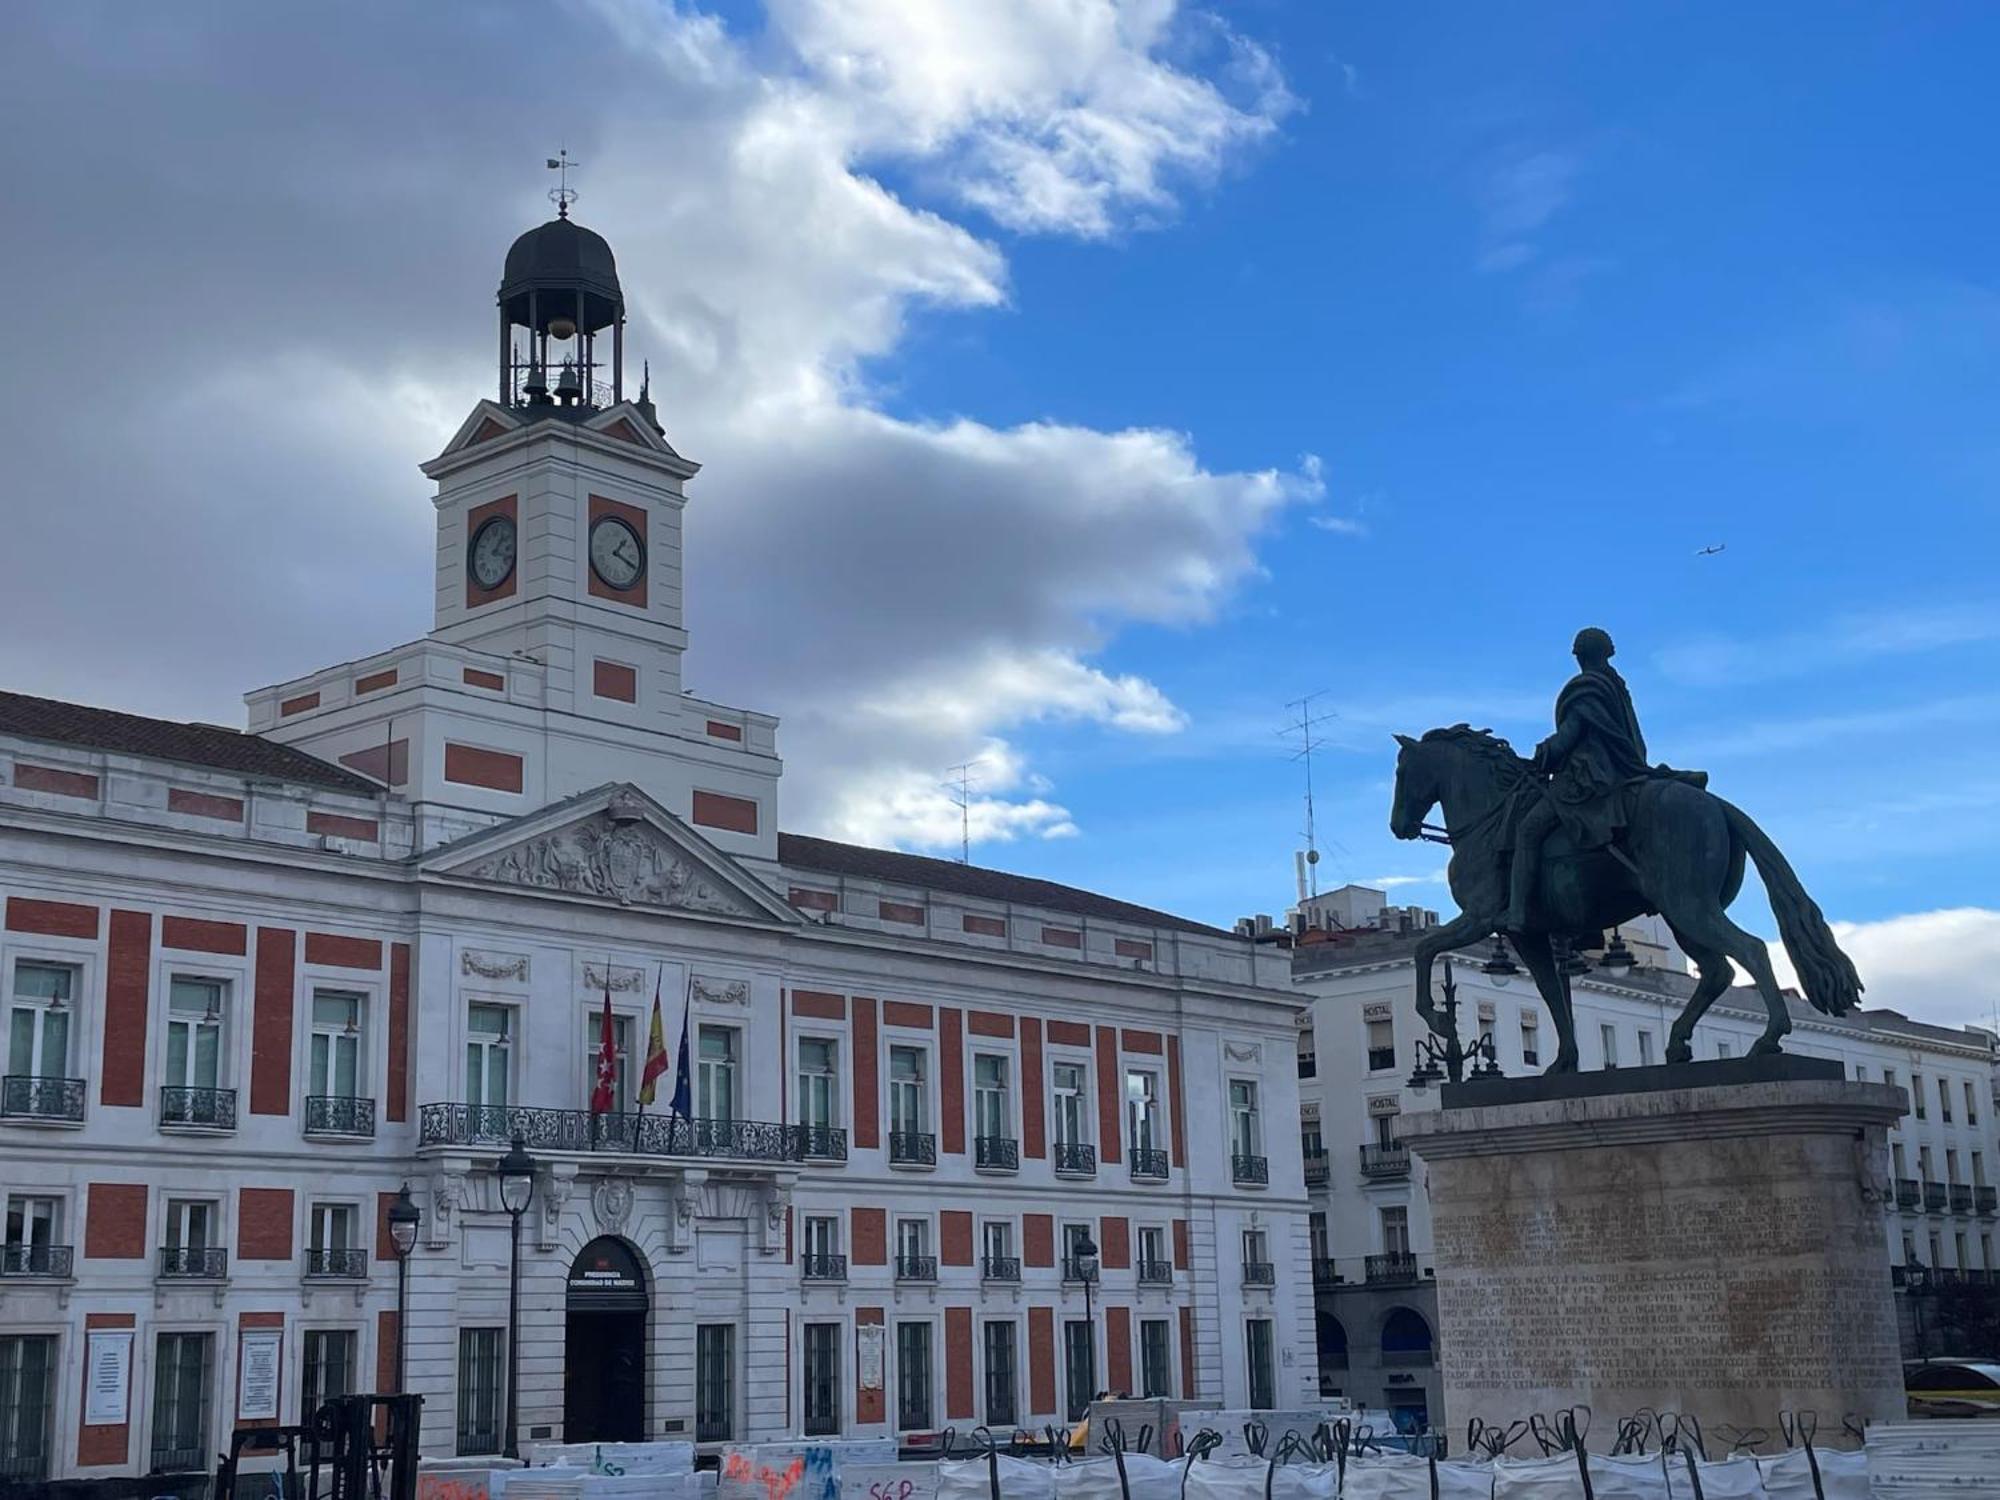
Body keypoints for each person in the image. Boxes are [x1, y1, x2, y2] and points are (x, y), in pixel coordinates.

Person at [1505, 627, 1651, 933]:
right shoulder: (1614, 684)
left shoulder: (1586, 688)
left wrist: (1541, 756)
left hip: (1588, 776)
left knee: (1528, 830)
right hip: (1618, 769)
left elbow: (1569, 736)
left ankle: (1517, 911)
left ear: (1580, 655)